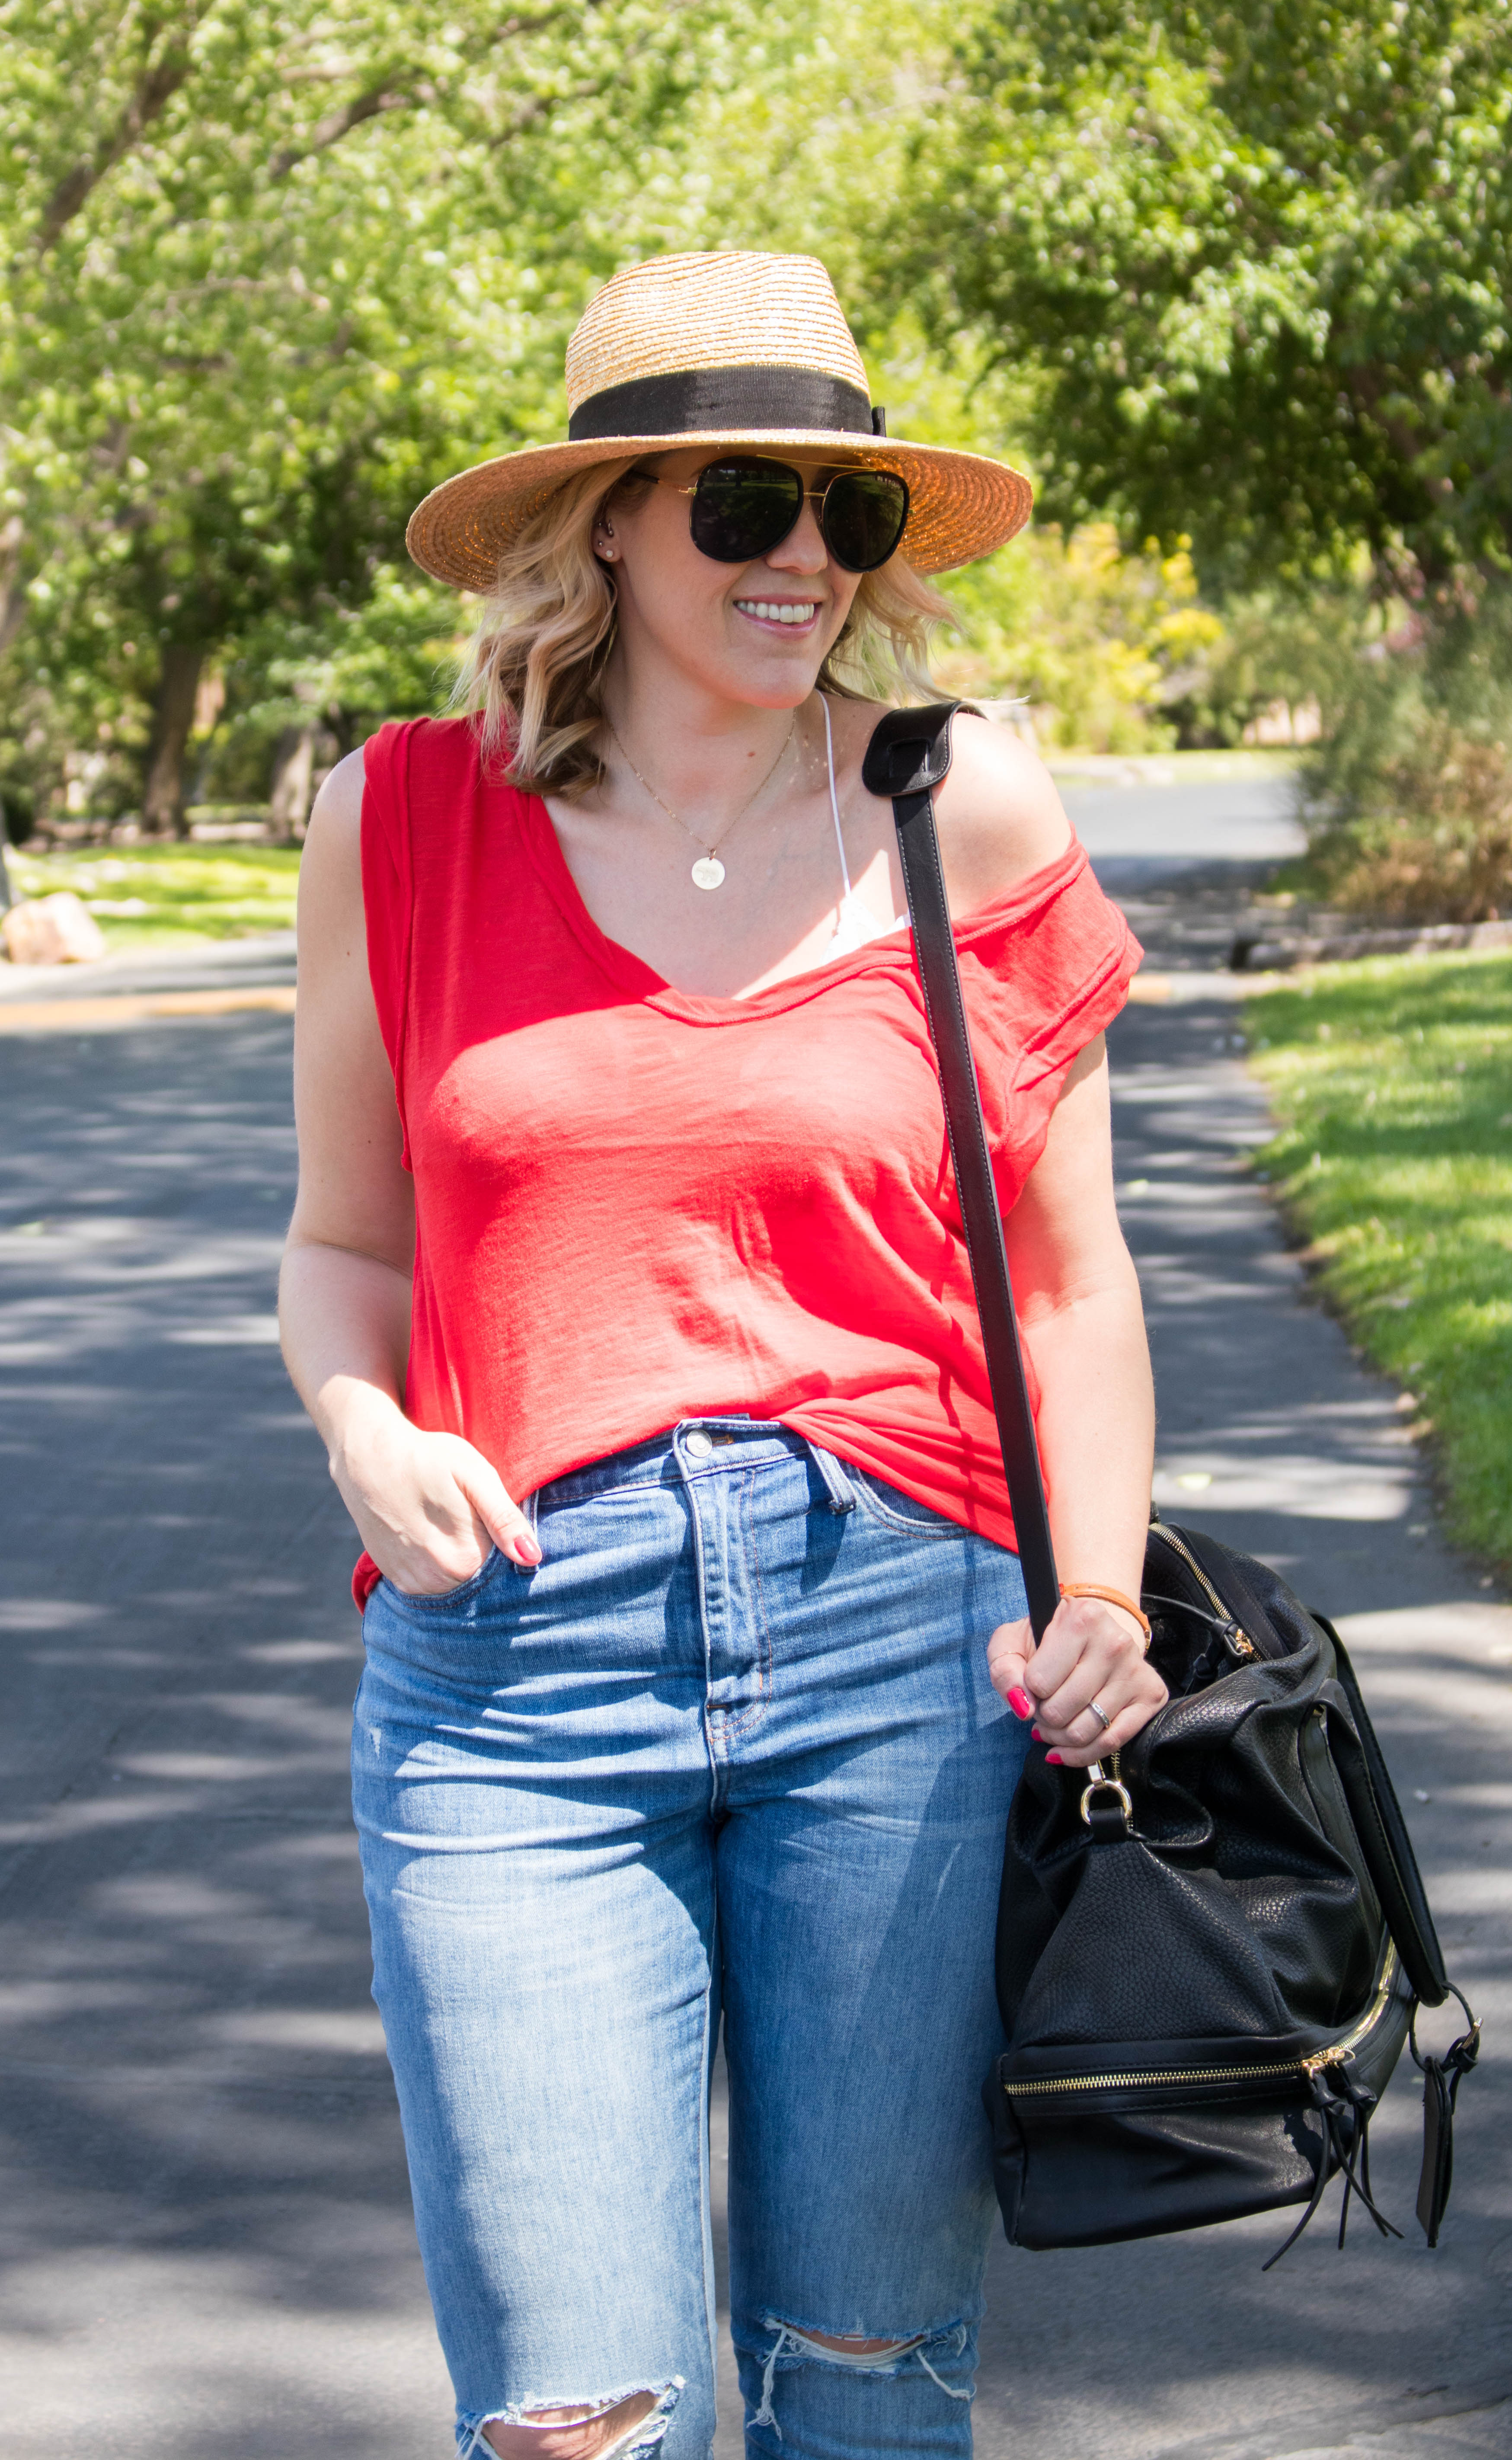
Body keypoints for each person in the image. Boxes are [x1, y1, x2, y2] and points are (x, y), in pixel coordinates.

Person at [280, 249, 1164, 2460]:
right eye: (746, 504)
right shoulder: (393, 820)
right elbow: (336, 1241)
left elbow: (1071, 1279)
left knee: (866, 2384)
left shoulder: (956, 803)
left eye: (844, 519)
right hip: (512, 1665)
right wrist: (360, 1421)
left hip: (910, 1658)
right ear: (606, 518)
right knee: (579, 2417)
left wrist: (1100, 1592)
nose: (802, 562)